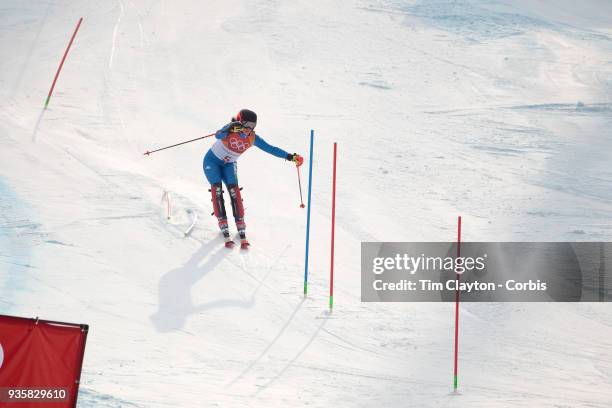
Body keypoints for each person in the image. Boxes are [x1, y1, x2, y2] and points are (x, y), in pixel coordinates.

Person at [203, 109, 303, 249]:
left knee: (234, 190)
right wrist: (229, 128)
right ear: (239, 121)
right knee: (217, 189)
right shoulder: (232, 129)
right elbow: (218, 135)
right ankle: (223, 222)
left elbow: (271, 149)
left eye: (253, 126)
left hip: (229, 164)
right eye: (247, 125)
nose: (249, 129)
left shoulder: (253, 138)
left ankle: (240, 224)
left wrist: (290, 157)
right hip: (212, 161)